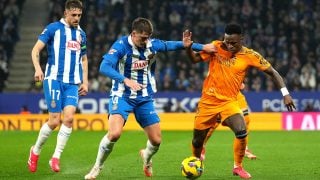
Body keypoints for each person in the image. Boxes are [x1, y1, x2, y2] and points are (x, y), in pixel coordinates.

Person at [84, 17, 215, 179]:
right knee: (114, 133)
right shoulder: (121, 46)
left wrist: (201, 47)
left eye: (148, 37)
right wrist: (125, 80)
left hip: (144, 97)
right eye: (143, 38)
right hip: (122, 95)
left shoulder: (152, 44)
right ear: (133, 34)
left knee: (156, 140)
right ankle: (97, 167)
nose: (146, 41)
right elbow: (104, 67)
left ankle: (146, 158)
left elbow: (173, 45)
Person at [183, 23, 296, 179]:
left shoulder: (250, 55)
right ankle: (196, 161)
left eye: (233, 43)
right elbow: (194, 60)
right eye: (227, 41)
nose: (229, 45)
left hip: (229, 102)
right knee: (197, 141)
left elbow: (273, 73)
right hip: (207, 102)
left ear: (242, 39)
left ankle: (238, 167)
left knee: (241, 131)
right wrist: (188, 48)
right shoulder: (215, 46)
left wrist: (286, 94)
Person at [27, 0, 88, 173]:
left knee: (68, 119)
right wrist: (38, 68)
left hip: (72, 83)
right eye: (74, 15)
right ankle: (35, 151)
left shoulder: (81, 34)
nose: (77, 18)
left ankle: (56, 157)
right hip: (53, 79)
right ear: (66, 13)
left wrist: (85, 81)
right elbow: (35, 50)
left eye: (79, 15)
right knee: (54, 121)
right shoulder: (53, 28)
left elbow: (84, 59)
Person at [201, 90, 257, 161]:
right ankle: (202, 146)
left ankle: (243, 148)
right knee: (215, 122)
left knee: (246, 119)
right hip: (220, 92)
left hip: (235, 92)